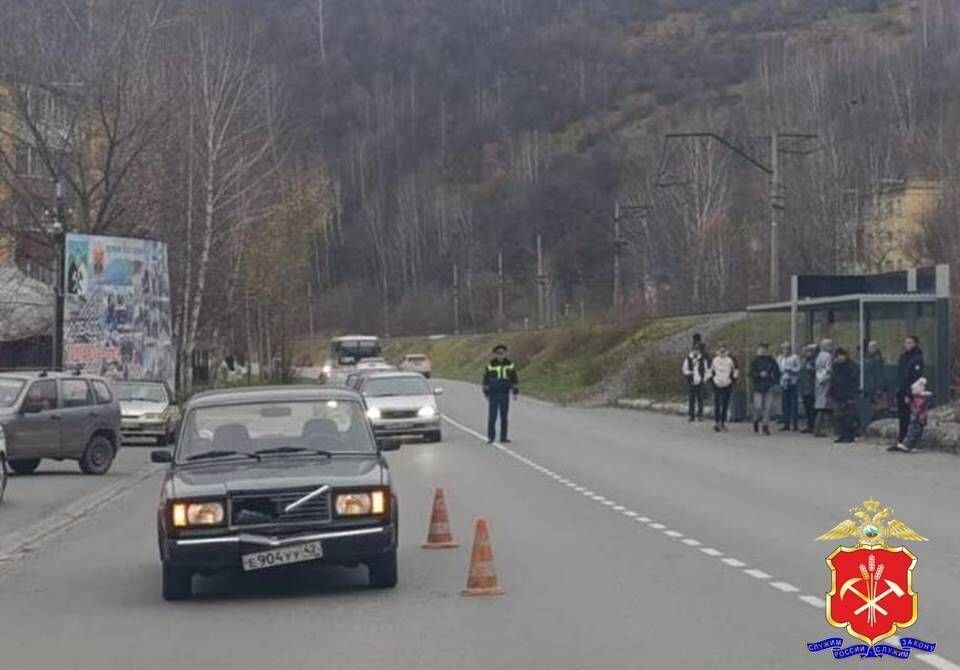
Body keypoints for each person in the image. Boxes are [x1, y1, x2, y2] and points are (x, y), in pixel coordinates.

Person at [482, 344, 519, 444]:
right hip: (493, 394)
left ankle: (503, 437)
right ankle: (491, 437)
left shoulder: (510, 364)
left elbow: (514, 379)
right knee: (492, 416)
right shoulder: (490, 365)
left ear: (505, 354)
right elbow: (485, 380)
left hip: (504, 393)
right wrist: (486, 393)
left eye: (502, 353)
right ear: (495, 354)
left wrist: (515, 392)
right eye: (498, 353)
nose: (500, 355)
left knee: (504, 416)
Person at [889, 377, 932, 453]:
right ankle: (908, 444)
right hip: (918, 417)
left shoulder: (920, 398)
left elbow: (918, 406)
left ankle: (910, 445)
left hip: (919, 416)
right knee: (914, 431)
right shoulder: (918, 397)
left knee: (916, 432)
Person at [895, 336, 924, 446]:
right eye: (906, 342)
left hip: (911, 392)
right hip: (901, 391)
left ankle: (911, 441)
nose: (907, 345)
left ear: (915, 343)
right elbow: (900, 375)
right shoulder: (903, 357)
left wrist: (909, 393)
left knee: (912, 417)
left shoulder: (917, 358)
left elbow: (914, 377)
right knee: (902, 416)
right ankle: (901, 439)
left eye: (910, 342)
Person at [829, 347, 860, 444]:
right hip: (837, 395)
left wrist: (852, 393)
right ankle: (842, 435)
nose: (840, 358)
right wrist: (831, 392)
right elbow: (833, 380)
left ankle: (849, 436)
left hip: (848, 394)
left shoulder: (851, 366)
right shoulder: (835, 367)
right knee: (839, 416)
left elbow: (854, 381)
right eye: (838, 356)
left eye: (841, 356)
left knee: (849, 416)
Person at [749, 343, 780, 435]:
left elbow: (777, 373)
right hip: (758, 386)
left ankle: (765, 425)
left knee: (768, 407)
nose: (763, 351)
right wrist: (759, 374)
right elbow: (750, 373)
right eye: (761, 349)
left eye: (765, 349)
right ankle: (755, 419)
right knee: (758, 406)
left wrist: (774, 380)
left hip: (769, 386)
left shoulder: (771, 361)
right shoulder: (755, 361)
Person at [707, 343, 738, 432]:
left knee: (725, 404)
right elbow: (709, 371)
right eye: (720, 349)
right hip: (716, 384)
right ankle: (717, 422)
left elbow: (736, 370)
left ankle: (722, 422)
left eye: (723, 348)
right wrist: (711, 382)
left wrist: (733, 381)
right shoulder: (714, 360)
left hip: (727, 384)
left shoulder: (731, 359)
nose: (722, 351)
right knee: (717, 404)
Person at [777, 342, 802, 431]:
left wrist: (791, 370)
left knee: (793, 403)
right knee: (785, 403)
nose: (785, 351)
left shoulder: (795, 357)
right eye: (783, 349)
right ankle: (786, 423)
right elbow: (778, 369)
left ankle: (795, 424)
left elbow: (799, 368)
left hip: (792, 382)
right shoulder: (780, 358)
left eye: (787, 349)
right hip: (783, 382)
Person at [682, 342, 708, 422]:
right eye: (694, 350)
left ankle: (700, 415)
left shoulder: (702, 360)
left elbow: (706, 370)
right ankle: (691, 415)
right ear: (692, 350)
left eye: (697, 350)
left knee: (700, 399)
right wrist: (689, 373)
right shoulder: (688, 359)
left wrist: (704, 379)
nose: (696, 352)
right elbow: (684, 369)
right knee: (691, 399)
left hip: (700, 381)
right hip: (691, 381)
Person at [813, 338, 834, 437]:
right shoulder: (828, 356)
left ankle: (818, 429)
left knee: (821, 406)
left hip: (818, 381)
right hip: (825, 382)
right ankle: (818, 430)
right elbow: (829, 369)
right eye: (829, 345)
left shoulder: (819, 356)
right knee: (823, 407)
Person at [798, 344, 818, 433]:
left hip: (811, 388)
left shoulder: (814, 362)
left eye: (809, 351)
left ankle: (813, 425)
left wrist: (812, 370)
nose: (806, 353)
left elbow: (815, 374)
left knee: (812, 408)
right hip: (804, 388)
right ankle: (809, 425)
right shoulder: (804, 361)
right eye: (806, 351)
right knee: (807, 408)